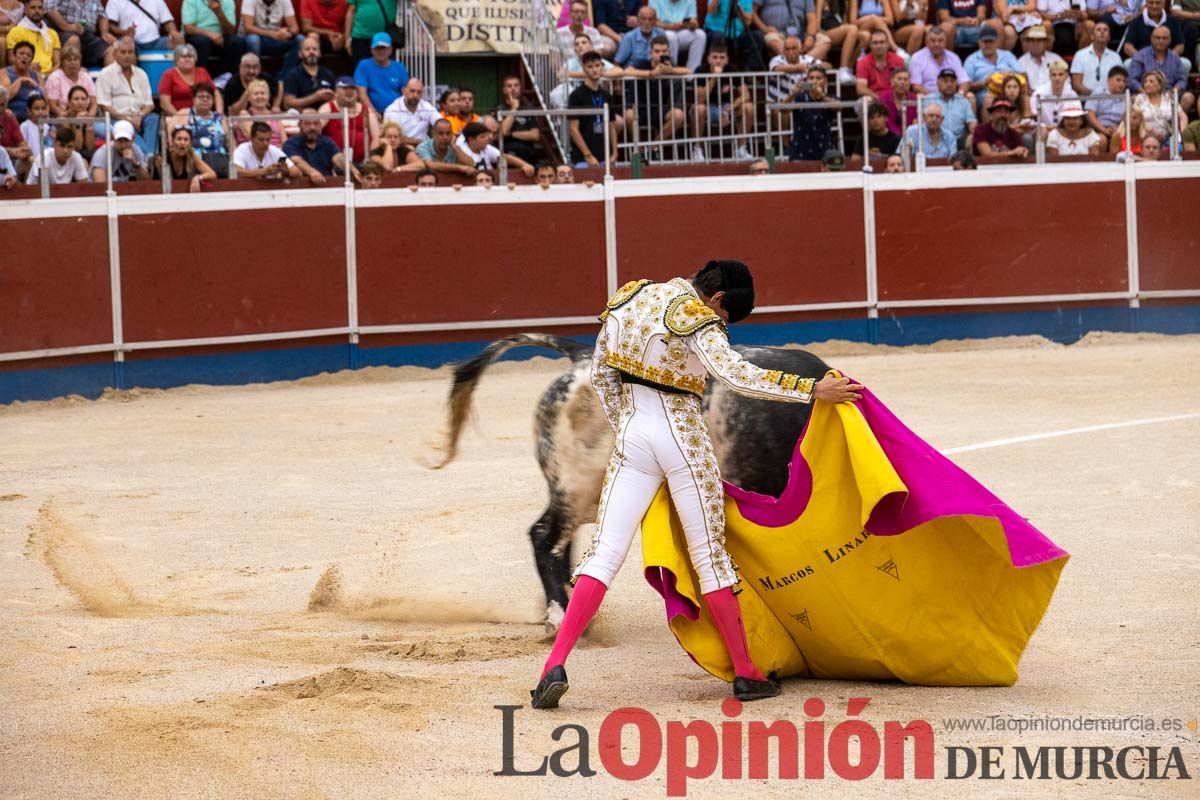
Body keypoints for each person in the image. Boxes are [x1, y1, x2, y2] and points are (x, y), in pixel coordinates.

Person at [529, 262, 864, 710]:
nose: (723, 324)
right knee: (710, 557)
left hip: (632, 434)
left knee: (602, 555)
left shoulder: (629, 298)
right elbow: (736, 375)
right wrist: (810, 390)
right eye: (727, 317)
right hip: (682, 438)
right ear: (718, 299)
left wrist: (626, 425)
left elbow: (604, 374)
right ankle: (746, 674)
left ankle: (554, 665)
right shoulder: (697, 316)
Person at [690, 43, 754, 161]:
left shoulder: (732, 69)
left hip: (726, 106)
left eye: (722, 57)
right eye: (715, 57)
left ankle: (741, 148)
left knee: (749, 107)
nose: (718, 61)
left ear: (727, 60)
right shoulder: (701, 70)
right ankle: (697, 150)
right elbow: (700, 98)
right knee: (699, 108)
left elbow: (746, 95)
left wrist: (730, 109)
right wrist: (714, 77)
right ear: (709, 59)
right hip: (707, 107)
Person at [95, 36, 157, 153]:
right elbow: (105, 106)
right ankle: (146, 154)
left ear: (134, 55)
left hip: (139, 117)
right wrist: (128, 119)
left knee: (153, 118)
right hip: (117, 119)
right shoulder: (106, 74)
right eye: (123, 52)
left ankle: (150, 155)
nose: (127, 56)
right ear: (115, 54)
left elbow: (149, 104)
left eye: (130, 52)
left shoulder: (141, 74)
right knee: (139, 146)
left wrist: (140, 115)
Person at [567, 50, 618, 167]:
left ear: (602, 67)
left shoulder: (606, 95)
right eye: (590, 66)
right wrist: (587, 155)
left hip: (605, 155)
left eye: (597, 65)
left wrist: (615, 152)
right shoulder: (576, 96)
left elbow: (611, 125)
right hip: (583, 157)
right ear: (583, 68)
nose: (594, 70)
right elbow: (573, 129)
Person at [1128, 26, 1194, 114]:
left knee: (1188, 97)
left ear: (1170, 40)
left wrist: (1175, 90)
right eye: (1157, 38)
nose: (1161, 41)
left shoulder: (1175, 57)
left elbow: (1182, 79)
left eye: (1164, 38)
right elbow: (1132, 80)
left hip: (1169, 93)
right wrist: (1144, 91)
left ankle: (1176, 124)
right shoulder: (1140, 56)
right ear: (1151, 38)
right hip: (1146, 93)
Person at [283, 109, 354, 182]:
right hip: (302, 187)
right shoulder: (290, 143)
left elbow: (339, 158)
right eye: (307, 124)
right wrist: (312, 172)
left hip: (328, 185)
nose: (312, 127)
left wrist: (355, 172)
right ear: (300, 125)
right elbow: (297, 161)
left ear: (320, 125)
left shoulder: (327, 141)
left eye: (316, 123)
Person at [320, 74, 376, 161]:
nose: (349, 91)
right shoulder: (327, 108)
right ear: (336, 92)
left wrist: (370, 159)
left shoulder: (366, 111)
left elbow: (376, 138)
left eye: (352, 88)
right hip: (334, 161)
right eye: (345, 88)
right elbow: (315, 129)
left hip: (364, 162)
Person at [786, 66, 837, 160]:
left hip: (824, 150)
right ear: (806, 80)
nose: (814, 81)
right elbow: (783, 110)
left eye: (818, 78)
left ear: (825, 81)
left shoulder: (831, 97)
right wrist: (793, 94)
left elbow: (838, 108)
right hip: (800, 151)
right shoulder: (799, 98)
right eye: (811, 78)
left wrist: (821, 96)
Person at [181, 0, 246, 74]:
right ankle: (201, 79)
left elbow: (230, 31)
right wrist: (210, 34)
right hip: (197, 35)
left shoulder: (228, 1)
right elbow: (188, 28)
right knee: (202, 42)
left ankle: (229, 79)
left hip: (221, 37)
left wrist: (218, 12)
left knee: (237, 42)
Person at [242, 0, 304, 75]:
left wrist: (288, 33)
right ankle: (254, 78)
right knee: (253, 39)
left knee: (300, 39)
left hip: (276, 39)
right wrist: (271, 34)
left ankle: (283, 79)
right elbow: (248, 28)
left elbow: (295, 28)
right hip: (257, 38)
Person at [963, 26, 1020, 106]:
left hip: (1010, 93)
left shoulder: (1007, 55)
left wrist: (1011, 74)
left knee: (1022, 95)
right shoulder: (971, 60)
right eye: (985, 42)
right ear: (979, 42)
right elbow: (967, 85)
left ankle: (1027, 118)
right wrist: (984, 83)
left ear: (997, 42)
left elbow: (1024, 74)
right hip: (985, 95)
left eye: (991, 41)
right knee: (990, 98)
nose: (988, 45)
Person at [157, 43, 218, 116]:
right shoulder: (168, 75)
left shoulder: (202, 72)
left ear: (195, 59)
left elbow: (216, 94)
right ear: (176, 60)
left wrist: (219, 114)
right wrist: (180, 117)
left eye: (190, 56)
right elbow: (165, 104)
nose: (187, 59)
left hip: (203, 115)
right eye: (183, 57)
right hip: (177, 116)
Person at [456, 119, 533, 177]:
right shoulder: (463, 150)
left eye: (486, 135)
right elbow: (469, 164)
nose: (487, 139)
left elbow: (504, 157)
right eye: (482, 137)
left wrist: (524, 165)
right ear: (471, 140)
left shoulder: (486, 148)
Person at [44, 0, 110, 68]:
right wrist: (67, 26)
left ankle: (107, 77)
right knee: (74, 40)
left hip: (88, 35)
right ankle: (74, 74)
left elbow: (103, 16)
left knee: (111, 48)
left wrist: (104, 33)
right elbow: (49, 9)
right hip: (62, 31)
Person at [354, 31, 406, 115]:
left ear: (390, 50)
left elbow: (406, 92)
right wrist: (373, 113)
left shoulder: (400, 67)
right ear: (371, 50)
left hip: (397, 113)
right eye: (377, 48)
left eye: (384, 48)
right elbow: (361, 93)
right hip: (372, 112)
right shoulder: (364, 65)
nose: (381, 51)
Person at [103, 0, 184, 52]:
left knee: (178, 40)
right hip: (131, 42)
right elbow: (110, 25)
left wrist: (173, 31)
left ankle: (177, 76)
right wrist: (123, 32)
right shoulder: (115, 1)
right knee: (126, 46)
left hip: (155, 42)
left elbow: (168, 21)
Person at [1131, 69, 1187, 143]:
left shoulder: (1169, 98)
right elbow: (1134, 119)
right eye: (1145, 82)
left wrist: (1183, 133)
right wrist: (1151, 132)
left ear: (1160, 85)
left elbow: (1183, 116)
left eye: (1151, 81)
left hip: (1170, 137)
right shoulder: (1140, 99)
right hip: (1146, 137)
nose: (1147, 84)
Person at [908, 25, 969, 94]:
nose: (936, 44)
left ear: (945, 42)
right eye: (933, 41)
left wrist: (960, 95)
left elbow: (964, 82)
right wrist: (937, 98)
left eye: (940, 41)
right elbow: (916, 86)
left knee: (970, 96)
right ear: (926, 42)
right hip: (928, 97)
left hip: (951, 97)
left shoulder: (953, 57)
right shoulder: (917, 58)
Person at [494, 74, 540, 164]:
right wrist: (514, 109)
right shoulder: (498, 109)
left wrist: (511, 134)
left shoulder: (528, 109)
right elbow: (502, 132)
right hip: (505, 155)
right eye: (509, 86)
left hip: (527, 154)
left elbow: (535, 135)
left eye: (516, 85)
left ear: (520, 88)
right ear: (504, 90)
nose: (513, 88)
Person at [282, 33, 335, 111]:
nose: (311, 52)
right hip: (302, 117)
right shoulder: (293, 75)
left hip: (325, 114)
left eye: (314, 49)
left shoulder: (328, 74)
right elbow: (287, 104)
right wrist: (315, 97)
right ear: (300, 54)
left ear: (320, 53)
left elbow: (335, 99)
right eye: (307, 49)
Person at [812, 0, 860, 83]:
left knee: (865, 36)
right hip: (824, 33)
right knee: (852, 29)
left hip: (839, 31)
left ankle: (848, 69)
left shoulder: (840, 2)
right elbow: (817, 26)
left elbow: (844, 22)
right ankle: (843, 69)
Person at [184, 81, 226, 175]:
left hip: (219, 160)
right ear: (194, 99)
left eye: (208, 97)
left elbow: (230, 141)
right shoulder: (185, 114)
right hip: (195, 160)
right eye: (201, 97)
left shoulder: (220, 118)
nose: (205, 99)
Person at [7, 0, 60, 75]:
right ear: (25, 10)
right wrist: (28, 67)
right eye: (33, 8)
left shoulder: (52, 33)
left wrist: (50, 75)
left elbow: (58, 62)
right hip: (25, 73)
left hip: (50, 76)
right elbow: (11, 59)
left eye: (40, 8)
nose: (37, 11)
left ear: (43, 10)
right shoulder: (16, 31)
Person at [1070, 20, 1121, 96]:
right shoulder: (1080, 55)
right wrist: (1094, 96)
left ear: (1109, 37)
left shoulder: (1116, 57)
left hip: (1110, 100)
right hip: (1086, 99)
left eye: (1105, 30)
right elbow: (1076, 85)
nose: (1102, 32)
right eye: (1098, 30)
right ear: (1092, 36)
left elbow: (1120, 82)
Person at [926, 66, 976, 144]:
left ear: (956, 84)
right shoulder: (928, 100)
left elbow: (971, 122)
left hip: (958, 140)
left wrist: (974, 128)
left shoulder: (963, 101)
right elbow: (923, 123)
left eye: (952, 81)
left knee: (972, 138)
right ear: (938, 83)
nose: (949, 84)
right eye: (945, 81)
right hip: (935, 139)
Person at [382, 77, 439, 146]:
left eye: (419, 92)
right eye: (412, 91)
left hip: (424, 148)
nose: (415, 95)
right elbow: (394, 138)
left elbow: (440, 123)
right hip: (400, 148)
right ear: (403, 91)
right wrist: (422, 142)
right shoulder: (392, 110)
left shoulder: (426, 107)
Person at [233, 118, 299, 177]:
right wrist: (265, 171)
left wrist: (286, 172)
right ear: (251, 139)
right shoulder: (241, 150)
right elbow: (236, 172)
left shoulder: (274, 150)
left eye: (268, 140)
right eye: (261, 140)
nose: (265, 143)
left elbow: (297, 171)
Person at [650, 0, 705, 70]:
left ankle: (692, 75)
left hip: (682, 31)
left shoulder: (690, 1)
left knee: (700, 35)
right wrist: (671, 26)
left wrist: (691, 24)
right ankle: (672, 70)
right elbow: (654, 23)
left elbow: (694, 21)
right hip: (663, 32)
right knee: (671, 36)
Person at [43, 44, 95, 116]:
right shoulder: (54, 78)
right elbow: (52, 105)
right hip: (62, 117)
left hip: (85, 116)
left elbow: (94, 104)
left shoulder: (86, 77)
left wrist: (89, 118)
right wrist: (68, 117)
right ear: (62, 62)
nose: (72, 62)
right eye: (69, 60)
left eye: (75, 59)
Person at [855, 27, 905, 100]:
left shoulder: (898, 60)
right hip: (874, 97)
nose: (879, 46)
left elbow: (903, 84)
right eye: (875, 43)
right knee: (865, 100)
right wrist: (880, 98)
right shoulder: (863, 62)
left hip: (894, 97)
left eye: (882, 42)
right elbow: (860, 89)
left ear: (888, 44)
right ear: (870, 45)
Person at [1031, 58, 1078, 135]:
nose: (1057, 78)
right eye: (1054, 75)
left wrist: (1059, 128)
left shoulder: (1073, 95)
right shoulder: (1038, 94)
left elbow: (1076, 119)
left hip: (1066, 130)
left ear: (1066, 76)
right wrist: (1046, 126)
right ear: (1049, 76)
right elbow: (1033, 120)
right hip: (1044, 129)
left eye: (1060, 74)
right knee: (1042, 132)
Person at [1085, 64, 1127, 149]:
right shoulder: (1098, 93)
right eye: (1118, 80)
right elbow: (1090, 115)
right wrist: (1104, 130)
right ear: (1109, 80)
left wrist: (1118, 129)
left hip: (1118, 130)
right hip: (1097, 128)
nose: (1122, 83)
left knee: (1117, 136)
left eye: (1124, 81)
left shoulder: (1126, 98)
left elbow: (1126, 119)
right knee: (1102, 139)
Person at [1, 40, 44, 121]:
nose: (25, 57)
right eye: (21, 53)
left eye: (29, 55)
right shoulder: (4, 73)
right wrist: (20, 80)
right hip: (14, 117)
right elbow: (3, 99)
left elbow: (45, 101)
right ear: (14, 55)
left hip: (36, 118)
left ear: (31, 60)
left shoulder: (37, 76)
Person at [163, 123, 215, 189]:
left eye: (186, 139)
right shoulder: (163, 157)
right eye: (179, 139)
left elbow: (212, 174)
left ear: (190, 143)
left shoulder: (190, 154)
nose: (182, 143)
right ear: (172, 141)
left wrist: (198, 178)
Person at [936, 0, 1003, 50]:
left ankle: (998, 62)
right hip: (956, 30)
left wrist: (977, 20)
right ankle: (948, 63)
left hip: (976, 28)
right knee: (946, 28)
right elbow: (944, 18)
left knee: (996, 23)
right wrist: (962, 21)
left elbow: (981, 15)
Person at [1016, 25, 1065, 92]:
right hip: (1030, 98)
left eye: (1039, 40)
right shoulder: (1021, 62)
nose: (1035, 43)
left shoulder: (1055, 59)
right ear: (1028, 43)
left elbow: (1066, 82)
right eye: (1032, 40)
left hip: (1054, 97)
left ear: (1045, 43)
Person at [235, 77, 281, 144]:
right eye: (256, 94)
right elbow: (256, 140)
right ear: (249, 98)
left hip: (277, 152)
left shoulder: (275, 116)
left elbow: (284, 141)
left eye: (263, 93)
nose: (260, 96)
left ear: (268, 96)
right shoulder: (244, 115)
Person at [0, 86, 33, 176]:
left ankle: (27, 189)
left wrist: (24, 150)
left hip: (11, 158)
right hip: (4, 157)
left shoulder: (10, 117)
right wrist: (12, 151)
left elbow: (21, 141)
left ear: (7, 104)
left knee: (31, 159)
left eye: (2, 105)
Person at [879, 65, 917, 134]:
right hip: (888, 137)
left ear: (909, 83)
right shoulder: (883, 98)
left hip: (909, 137)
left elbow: (915, 123)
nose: (902, 82)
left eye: (905, 79)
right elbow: (883, 123)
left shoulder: (914, 99)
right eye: (899, 79)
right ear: (892, 82)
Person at [59, 84, 95, 155]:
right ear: (69, 102)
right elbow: (77, 147)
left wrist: (88, 125)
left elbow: (90, 148)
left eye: (83, 99)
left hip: (86, 155)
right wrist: (78, 124)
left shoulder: (88, 117)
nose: (80, 102)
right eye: (76, 99)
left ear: (87, 103)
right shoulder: (63, 119)